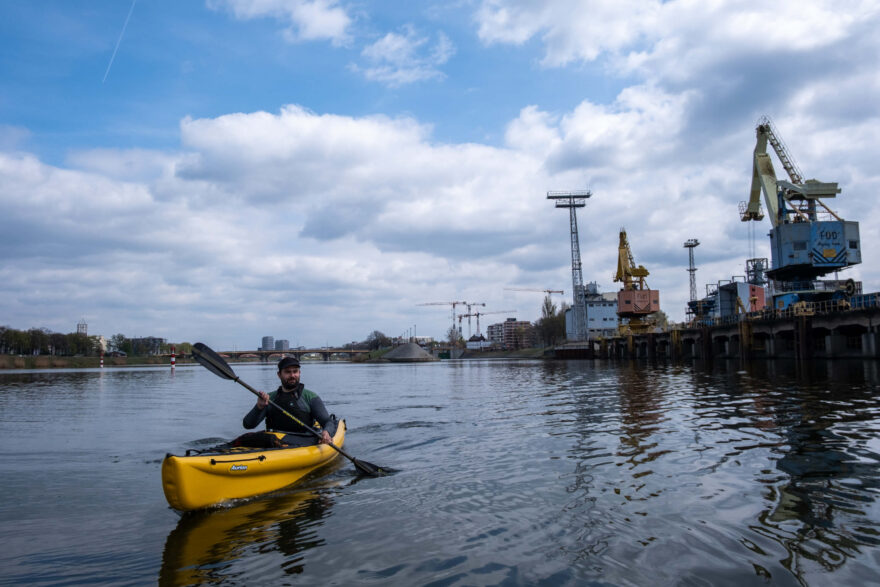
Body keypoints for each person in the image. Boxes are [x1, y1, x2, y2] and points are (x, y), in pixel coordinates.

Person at [243, 356, 337, 446]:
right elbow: (248, 425)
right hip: (274, 442)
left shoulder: (310, 397)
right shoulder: (269, 398)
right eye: (287, 372)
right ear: (279, 375)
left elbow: (327, 421)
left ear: (299, 373)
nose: (292, 375)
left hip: (303, 441)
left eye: (295, 371)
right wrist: (259, 407)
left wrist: (326, 432)